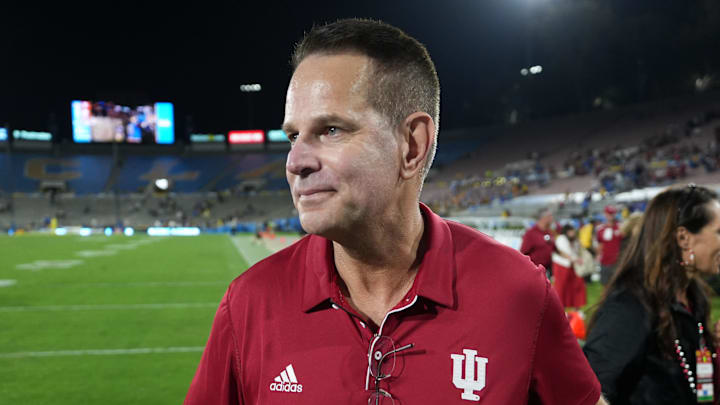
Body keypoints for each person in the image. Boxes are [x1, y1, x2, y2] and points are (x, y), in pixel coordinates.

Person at [185, 18, 605, 405]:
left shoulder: (517, 293)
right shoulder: (248, 302)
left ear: (412, 145)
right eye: (294, 135)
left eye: (330, 130)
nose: (296, 161)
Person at [584, 185, 720, 405]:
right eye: (718, 232)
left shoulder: (693, 296)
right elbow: (588, 393)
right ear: (684, 238)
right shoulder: (631, 306)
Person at [552, 224, 587, 311]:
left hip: (572, 266)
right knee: (561, 287)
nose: (573, 233)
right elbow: (563, 252)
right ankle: (560, 309)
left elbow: (578, 250)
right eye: (571, 231)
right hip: (561, 265)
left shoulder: (574, 240)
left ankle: (577, 308)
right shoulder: (561, 239)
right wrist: (575, 259)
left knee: (577, 285)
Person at [520, 208, 555, 278]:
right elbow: (523, 253)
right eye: (550, 216)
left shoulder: (550, 232)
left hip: (549, 270)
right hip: (535, 271)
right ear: (543, 218)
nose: (552, 218)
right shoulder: (530, 233)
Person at [596, 205, 623, 285]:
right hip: (605, 261)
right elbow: (600, 244)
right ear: (605, 214)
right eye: (608, 213)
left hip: (618, 261)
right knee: (605, 285)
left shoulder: (621, 227)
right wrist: (598, 255)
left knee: (618, 285)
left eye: (612, 213)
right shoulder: (600, 229)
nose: (610, 216)